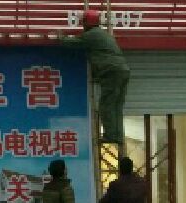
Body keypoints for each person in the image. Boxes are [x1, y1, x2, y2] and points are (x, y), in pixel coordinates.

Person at [53, 9, 130, 145]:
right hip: (122, 70)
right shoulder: (103, 34)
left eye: (83, 22)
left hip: (111, 72)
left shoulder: (91, 35)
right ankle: (117, 136)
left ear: (87, 22)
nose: (82, 24)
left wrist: (60, 37)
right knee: (116, 105)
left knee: (106, 105)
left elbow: (72, 43)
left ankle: (111, 135)